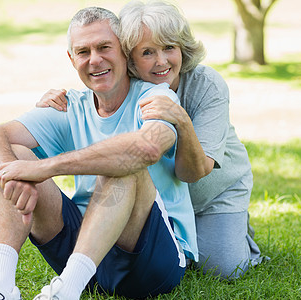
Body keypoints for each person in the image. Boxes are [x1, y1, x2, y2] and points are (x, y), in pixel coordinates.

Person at [0, 6, 198, 300]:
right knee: (13, 154)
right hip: (81, 255)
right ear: (72, 59)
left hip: (149, 261)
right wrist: (12, 172)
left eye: (105, 47)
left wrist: (46, 168)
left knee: (122, 164)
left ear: (124, 51)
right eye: (83, 52)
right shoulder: (71, 105)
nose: (95, 60)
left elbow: (146, 149)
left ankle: (65, 292)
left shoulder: (156, 97)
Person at [38, 0, 267, 280]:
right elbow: (96, 89)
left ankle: (237, 228)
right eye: (148, 52)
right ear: (129, 58)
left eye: (169, 47)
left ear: (183, 48)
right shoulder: (127, 86)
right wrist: (57, 100)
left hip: (213, 191)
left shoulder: (207, 85)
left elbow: (194, 172)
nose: (161, 61)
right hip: (161, 197)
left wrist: (182, 120)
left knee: (224, 270)